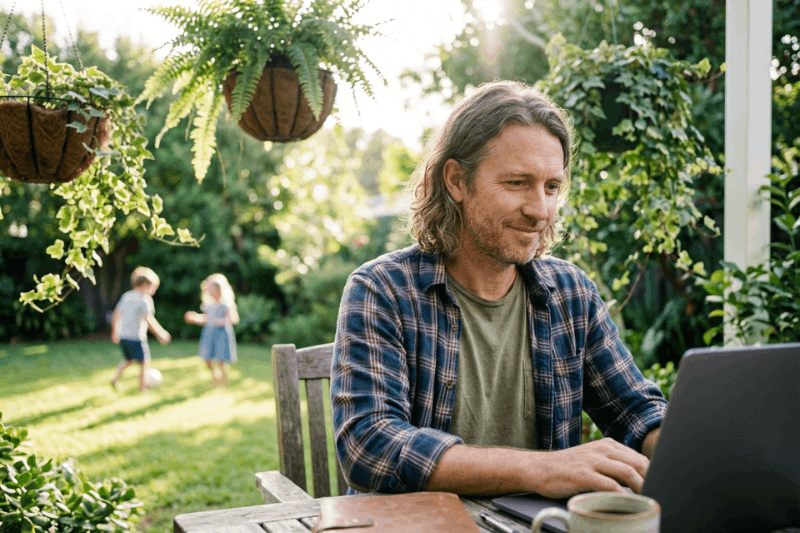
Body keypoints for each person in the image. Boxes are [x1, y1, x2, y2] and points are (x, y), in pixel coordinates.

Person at [331, 81, 668, 498]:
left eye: (551, 187)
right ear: (456, 180)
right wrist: (538, 469)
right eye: (517, 183)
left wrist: (687, 447)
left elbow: (635, 411)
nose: (540, 210)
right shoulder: (383, 290)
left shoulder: (572, 294)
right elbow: (369, 445)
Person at [111, 266, 171, 392]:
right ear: (144, 284)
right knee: (144, 363)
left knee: (128, 360)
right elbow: (148, 319)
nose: (154, 290)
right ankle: (143, 388)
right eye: (153, 286)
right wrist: (160, 333)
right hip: (136, 337)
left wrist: (115, 331)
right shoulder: (145, 300)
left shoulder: (126, 296)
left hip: (123, 335)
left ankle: (115, 379)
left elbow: (116, 314)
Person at [184, 274, 239, 387]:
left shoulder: (226, 304)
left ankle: (223, 381)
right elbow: (206, 319)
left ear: (218, 289)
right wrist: (194, 318)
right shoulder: (208, 304)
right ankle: (215, 376)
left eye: (211, 288)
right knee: (207, 358)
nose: (209, 291)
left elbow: (234, 319)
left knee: (221, 359)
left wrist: (219, 321)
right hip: (209, 333)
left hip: (222, 333)